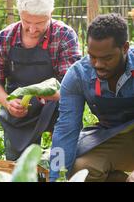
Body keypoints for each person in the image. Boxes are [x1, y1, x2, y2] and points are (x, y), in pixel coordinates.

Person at [0, 0, 81, 161]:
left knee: (60, 162)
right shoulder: (5, 38)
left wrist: (42, 94)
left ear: (51, 14)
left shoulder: (64, 35)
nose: (31, 29)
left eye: (39, 23)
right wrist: (9, 103)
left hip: (56, 103)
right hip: (20, 105)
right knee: (19, 165)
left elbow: (71, 85)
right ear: (19, 14)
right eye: (26, 22)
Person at [50, 13, 134, 182]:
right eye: (92, 56)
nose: (98, 65)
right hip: (115, 136)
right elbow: (65, 131)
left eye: (107, 58)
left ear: (125, 48)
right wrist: (55, 177)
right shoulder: (78, 76)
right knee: (79, 170)